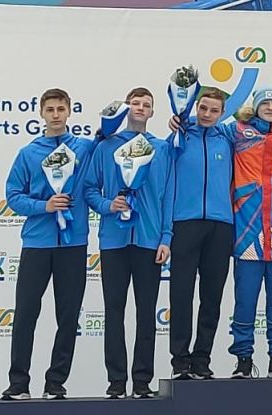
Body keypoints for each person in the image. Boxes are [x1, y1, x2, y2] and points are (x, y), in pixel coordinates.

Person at [2, 88, 94, 400]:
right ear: (41, 112)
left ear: (69, 111)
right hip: (37, 245)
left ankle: (56, 382)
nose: (56, 115)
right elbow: (13, 196)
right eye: (50, 109)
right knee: (25, 314)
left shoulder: (85, 148)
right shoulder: (28, 153)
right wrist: (45, 206)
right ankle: (18, 383)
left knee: (68, 317)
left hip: (73, 244)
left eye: (60, 109)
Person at [85, 87, 174, 398]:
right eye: (135, 103)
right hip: (114, 241)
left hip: (149, 241)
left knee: (146, 313)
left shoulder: (162, 149)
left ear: (152, 112)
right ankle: (116, 381)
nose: (140, 108)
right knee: (114, 311)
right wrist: (108, 205)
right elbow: (89, 188)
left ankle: (142, 381)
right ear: (127, 108)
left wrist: (166, 237)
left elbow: (168, 196)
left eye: (146, 104)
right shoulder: (105, 147)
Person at [227, 87, 272, 379]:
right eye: (264, 103)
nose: (269, 107)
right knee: (245, 301)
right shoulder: (236, 133)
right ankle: (243, 360)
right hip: (248, 233)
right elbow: (205, 129)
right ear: (254, 107)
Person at [166, 87, 234, 381]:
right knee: (181, 295)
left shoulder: (229, 139)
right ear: (195, 107)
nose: (207, 114)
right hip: (185, 224)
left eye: (214, 110)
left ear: (222, 113)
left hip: (221, 226)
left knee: (212, 297)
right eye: (203, 108)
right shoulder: (179, 136)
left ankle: (202, 358)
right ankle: (180, 360)